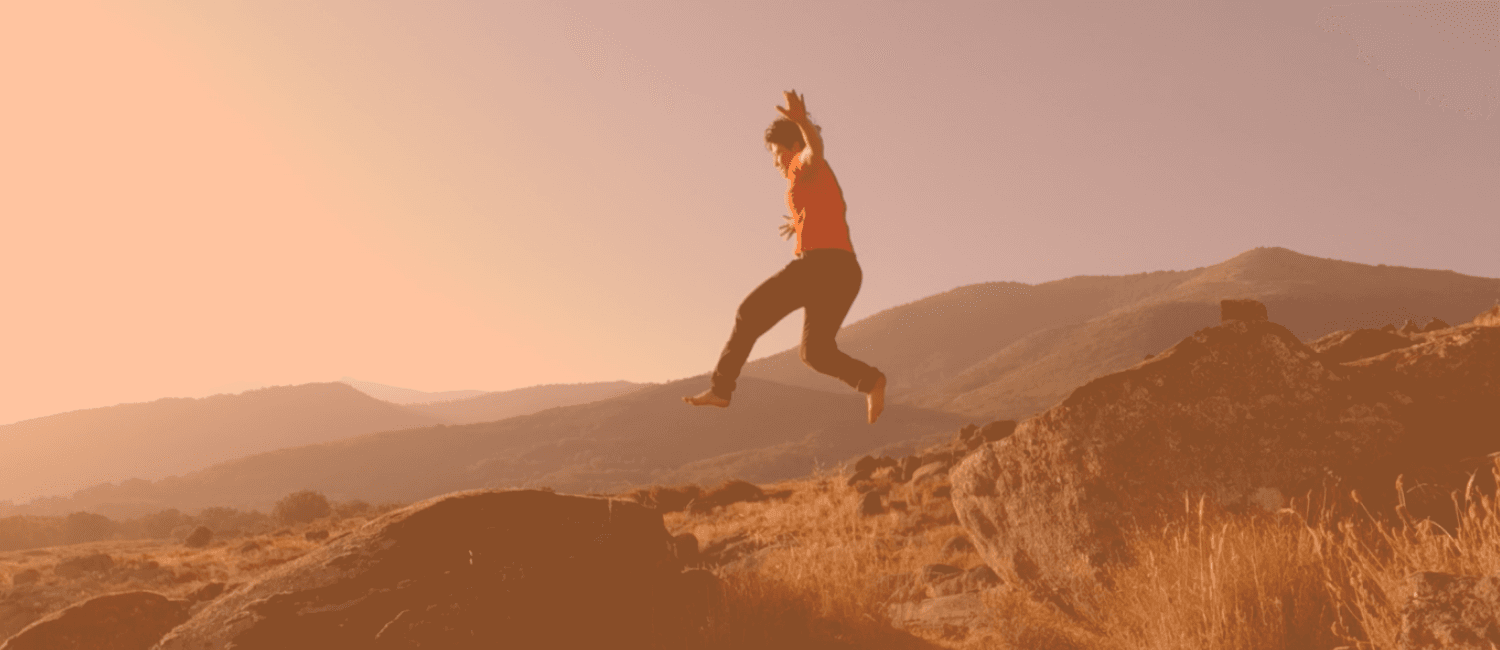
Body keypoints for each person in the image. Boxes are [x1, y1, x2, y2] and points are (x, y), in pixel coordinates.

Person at [683, 90, 887, 423]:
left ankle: (721, 389)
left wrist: (801, 121)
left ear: (793, 148)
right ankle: (871, 381)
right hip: (845, 272)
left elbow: (814, 151)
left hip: (821, 267)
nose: (775, 161)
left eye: (777, 152)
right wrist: (799, 223)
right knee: (815, 353)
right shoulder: (812, 183)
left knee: (749, 313)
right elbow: (828, 210)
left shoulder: (803, 165)